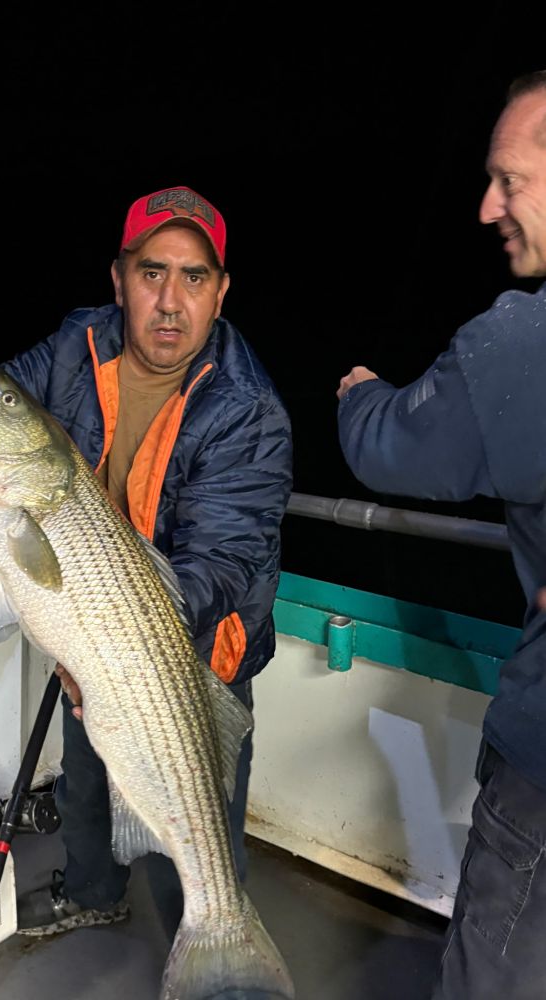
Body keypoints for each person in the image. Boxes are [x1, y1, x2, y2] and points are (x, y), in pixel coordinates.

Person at [0, 186, 293, 942]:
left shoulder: (249, 410)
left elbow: (221, 565)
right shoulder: (79, 345)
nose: (170, 301)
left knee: (201, 826)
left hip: (194, 651)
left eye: (195, 277)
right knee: (85, 780)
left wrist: (120, 642)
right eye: (151, 273)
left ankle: (217, 938)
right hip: (94, 624)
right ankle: (92, 890)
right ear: (119, 279)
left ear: (221, 292)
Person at [336, 73, 546, 999]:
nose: (485, 206)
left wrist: (356, 397)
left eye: (509, 179)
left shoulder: (522, 343)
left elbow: (391, 449)